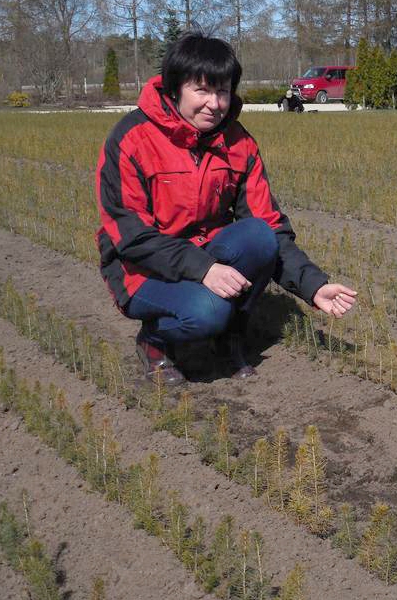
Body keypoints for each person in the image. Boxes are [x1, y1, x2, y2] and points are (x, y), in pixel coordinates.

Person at [96, 33, 356, 386]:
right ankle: (154, 341)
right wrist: (203, 268)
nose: (214, 104)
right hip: (140, 268)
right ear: (175, 89)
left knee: (258, 236)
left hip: (205, 253)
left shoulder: (239, 143)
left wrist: (313, 286)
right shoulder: (132, 139)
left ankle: (228, 336)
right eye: (201, 91)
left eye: (223, 92)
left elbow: (269, 224)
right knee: (206, 312)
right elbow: (131, 236)